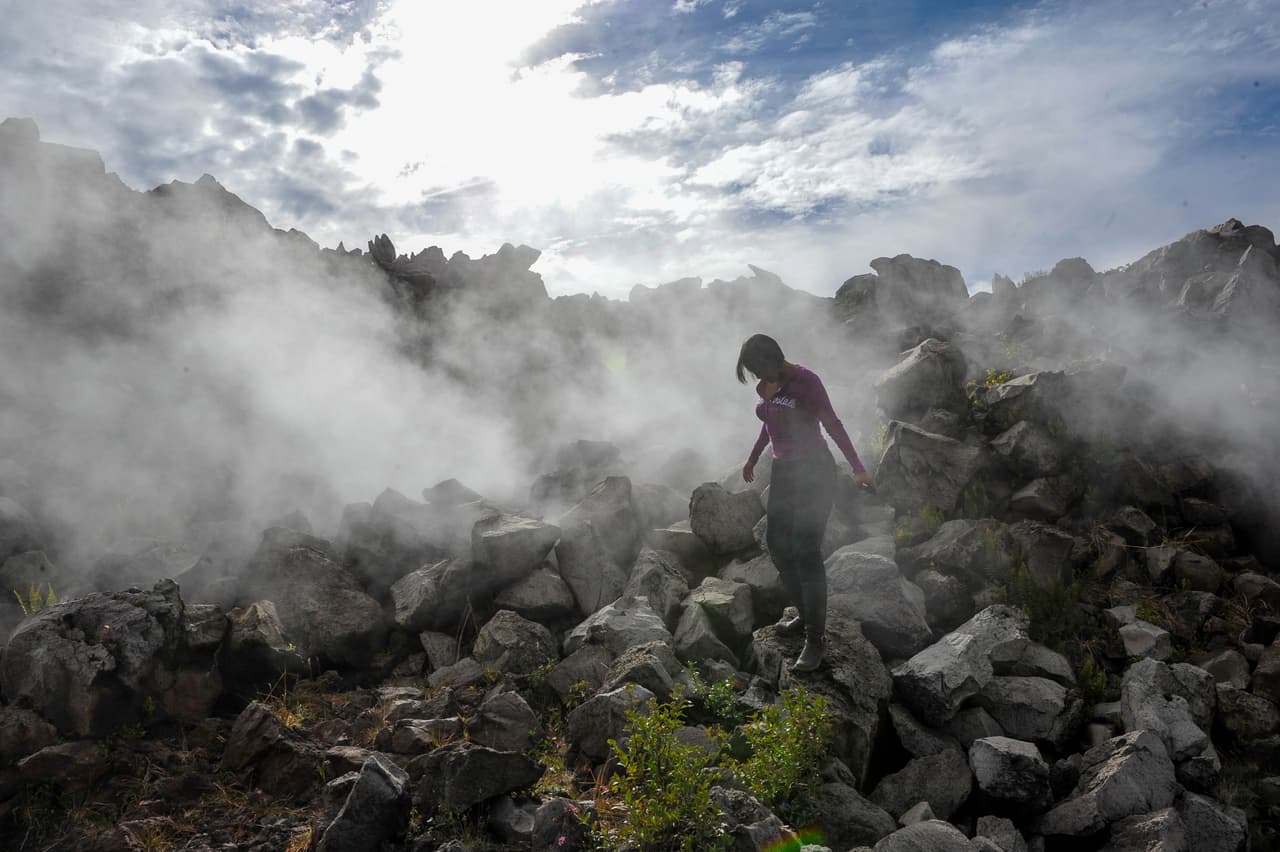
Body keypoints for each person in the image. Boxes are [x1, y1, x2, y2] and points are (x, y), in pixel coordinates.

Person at [737, 333, 875, 672]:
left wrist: (858, 468)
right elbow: (769, 425)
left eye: (759, 370)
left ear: (772, 360)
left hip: (815, 470)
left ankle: (816, 639)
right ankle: (803, 613)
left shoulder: (806, 382)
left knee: (805, 548)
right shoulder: (766, 387)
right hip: (784, 472)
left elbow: (833, 424)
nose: (758, 378)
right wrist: (753, 459)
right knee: (777, 544)